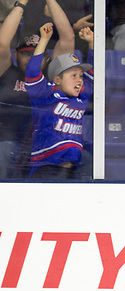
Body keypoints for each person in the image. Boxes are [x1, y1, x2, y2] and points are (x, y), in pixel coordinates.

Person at [25, 23, 93, 179]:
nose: (79, 80)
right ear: (57, 80)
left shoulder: (81, 96)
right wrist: (44, 40)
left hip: (72, 170)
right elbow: (32, 73)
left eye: (81, 75)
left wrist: (92, 44)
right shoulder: (46, 94)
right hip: (46, 169)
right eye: (73, 75)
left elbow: (95, 74)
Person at [0, 0, 33, 178]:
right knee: (4, 151)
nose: (30, 59)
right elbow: (2, 44)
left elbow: (67, 40)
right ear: (16, 54)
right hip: (6, 142)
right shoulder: (6, 71)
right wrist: (20, 4)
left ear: (47, 57)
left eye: (36, 55)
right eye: (25, 54)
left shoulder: (50, 77)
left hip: (39, 144)